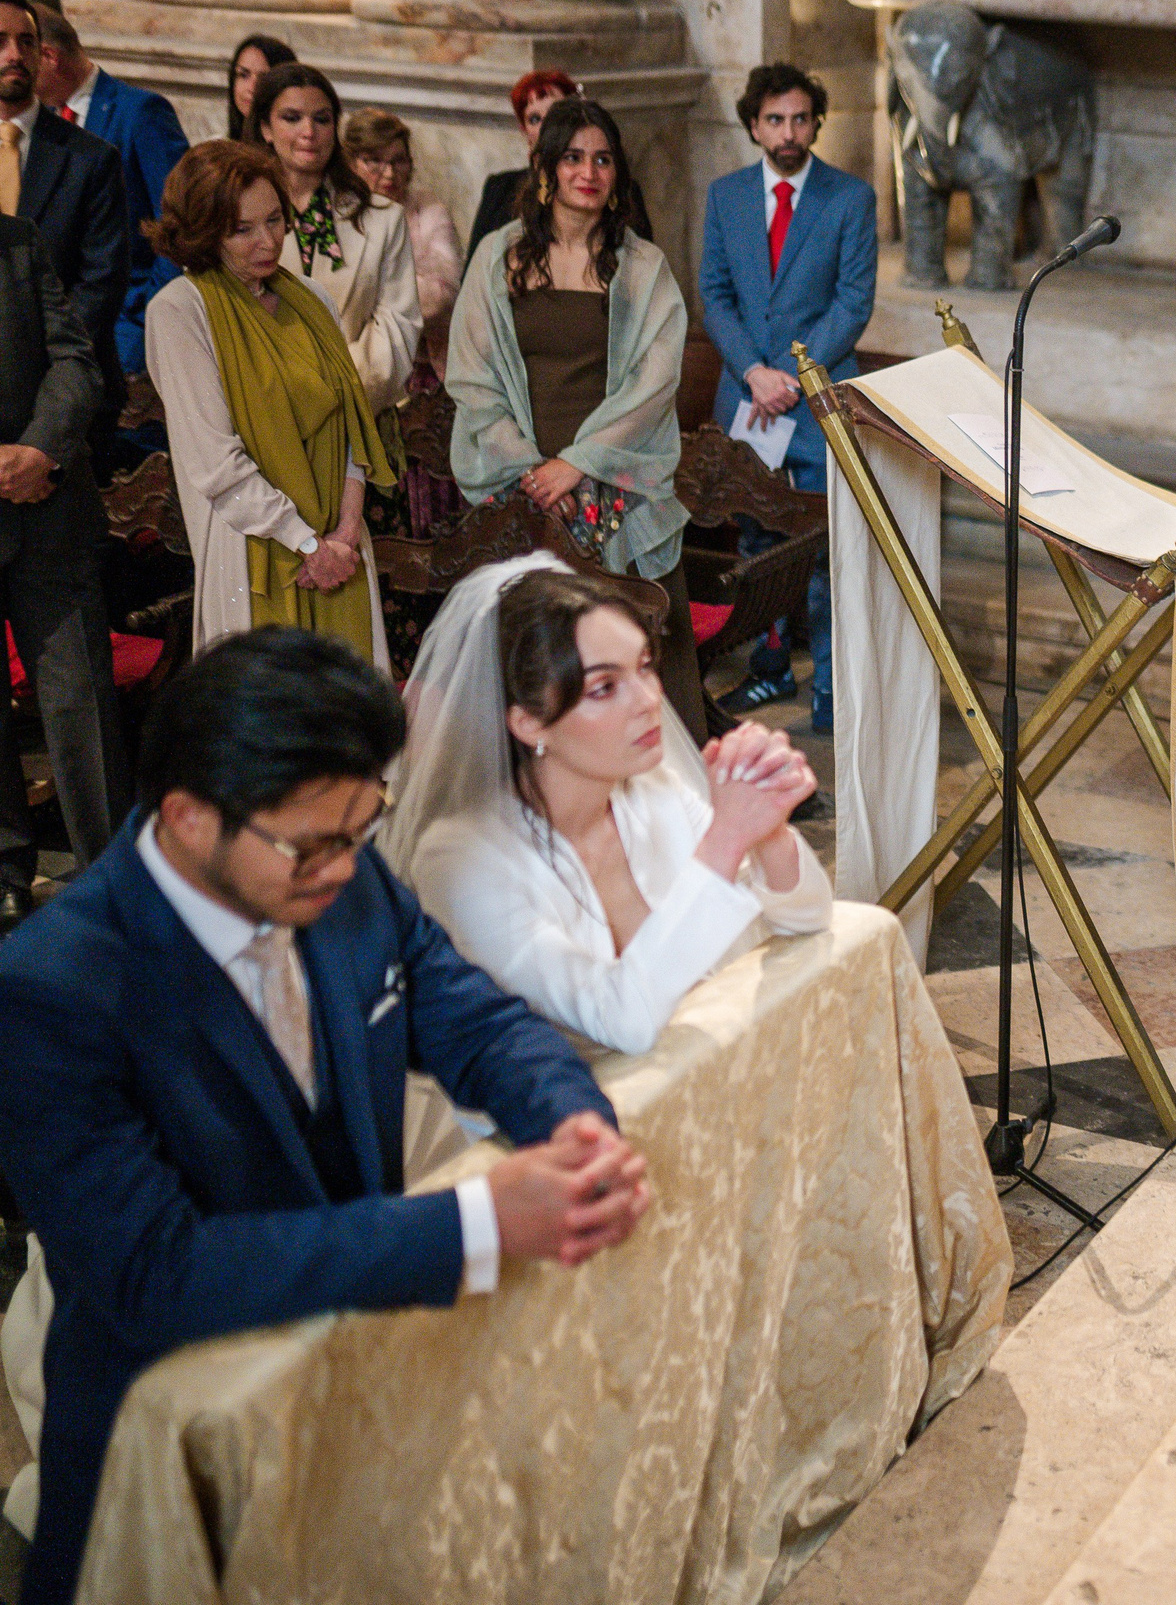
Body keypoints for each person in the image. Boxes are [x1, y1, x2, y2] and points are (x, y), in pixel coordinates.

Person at [0, 626, 651, 1605]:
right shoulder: (53, 985)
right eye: (313, 841)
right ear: (186, 817)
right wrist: (475, 1220)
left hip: (352, 1379)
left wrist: (573, 1122)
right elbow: (155, 1268)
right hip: (180, 1429)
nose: (345, 865)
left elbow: (470, 1020)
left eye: (364, 823)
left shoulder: (343, 873)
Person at [387, 559, 825, 1056]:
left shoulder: (649, 786)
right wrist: (726, 837)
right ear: (529, 721)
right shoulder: (459, 860)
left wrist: (767, 831)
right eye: (603, 688)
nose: (649, 699)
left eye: (644, 667)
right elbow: (620, 1021)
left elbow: (806, 919)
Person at [445, 98, 707, 740]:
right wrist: (533, 470)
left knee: (637, 658)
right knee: (538, 664)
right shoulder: (497, 257)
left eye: (603, 159)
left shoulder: (643, 268)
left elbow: (654, 385)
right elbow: (474, 378)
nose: (588, 172)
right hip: (522, 487)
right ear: (545, 169)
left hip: (619, 482)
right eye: (573, 158)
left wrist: (577, 465)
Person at [144, 141, 397, 665]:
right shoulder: (178, 312)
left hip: (342, 547)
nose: (268, 241)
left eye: (275, 220)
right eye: (242, 229)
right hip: (254, 552)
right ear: (202, 232)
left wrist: (346, 537)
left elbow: (353, 426)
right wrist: (307, 544)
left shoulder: (313, 299)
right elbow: (215, 464)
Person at [699, 62, 876, 735]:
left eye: (800, 118)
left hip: (817, 399)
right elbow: (714, 295)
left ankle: (830, 685)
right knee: (757, 541)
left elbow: (853, 302)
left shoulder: (848, 198)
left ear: (815, 123)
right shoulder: (726, 196)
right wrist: (753, 372)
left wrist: (794, 377)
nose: (789, 131)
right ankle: (771, 661)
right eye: (775, 119)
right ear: (754, 125)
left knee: (825, 545)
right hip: (748, 400)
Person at [0, 209, 115, 932]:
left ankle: (111, 874)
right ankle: (7, 869)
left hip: (47, 511)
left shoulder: (19, 240)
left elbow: (74, 356)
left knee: (80, 702)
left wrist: (41, 450)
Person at [249, 63, 421, 422]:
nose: (309, 132)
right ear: (266, 128)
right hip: (264, 415)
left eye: (322, 119)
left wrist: (328, 394)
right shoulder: (234, 216)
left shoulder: (383, 218)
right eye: (292, 118)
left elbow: (397, 330)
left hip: (356, 415)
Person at [0, 0, 127, 463]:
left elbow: (99, 285)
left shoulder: (90, 159)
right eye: (0, 41)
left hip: (65, 406)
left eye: (26, 41)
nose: (15, 54)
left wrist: (36, 388)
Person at [30, 2, 188, 378]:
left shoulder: (140, 112)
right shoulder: (43, 123)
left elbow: (182, 221)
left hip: (129, 328)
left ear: (48, 56)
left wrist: (148, 312)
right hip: (60, 333)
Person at [467, 70, 653, 258]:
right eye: (534, 119)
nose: (546, 126)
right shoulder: (498, 189)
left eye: (556, 114)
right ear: (524, 130)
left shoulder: (619, 189)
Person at [342, 106, 461, 376]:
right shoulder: (337, 213)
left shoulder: (427, 209)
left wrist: (367, 294)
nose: (389, 173)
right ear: (350, 163)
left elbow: (438, 297)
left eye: (398, 160)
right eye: (373, 160)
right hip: (346, 358)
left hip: (419, 365)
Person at [223, 32, 295, 142]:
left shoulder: (295, 152)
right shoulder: (220, 148)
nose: (252, 88)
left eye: (264, 78)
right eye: (243, 75)